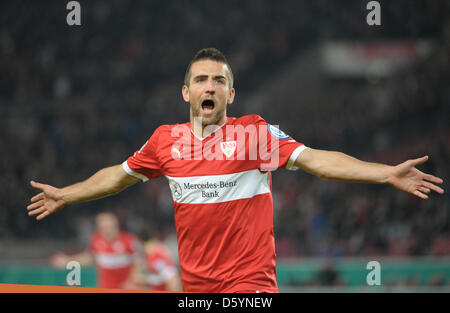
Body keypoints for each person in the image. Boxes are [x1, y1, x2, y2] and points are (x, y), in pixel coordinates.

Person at [27, 48, 444, 293]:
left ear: (231, 92)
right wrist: (67, 193)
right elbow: (116, 176)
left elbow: (317, 159)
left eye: (219, 80)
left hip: (249, 285)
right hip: (196, 288)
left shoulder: (253, 134)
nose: (210, 86)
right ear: (186, 91)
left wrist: (383, 172)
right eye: (201, 79)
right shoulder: (163, 141)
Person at [50, 211, 142, 289]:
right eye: (104, 228)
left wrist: (133, 281)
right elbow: (89, 258)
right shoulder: (96, 240)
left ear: (116, 226)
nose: (108, 231)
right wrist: (68, 260)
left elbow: (140, 262)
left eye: (110, 227)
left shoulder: (129, 240)